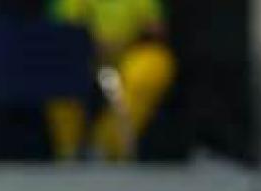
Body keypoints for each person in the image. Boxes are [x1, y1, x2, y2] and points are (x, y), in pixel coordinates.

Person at [46, 0, 176, 161]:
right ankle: (67, 148)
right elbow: (64, 28)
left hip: (128, 54)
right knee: (56, 66)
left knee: (154, 63)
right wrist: (91, 46)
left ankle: (108, 145)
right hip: (82, 55)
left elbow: (155, 28)